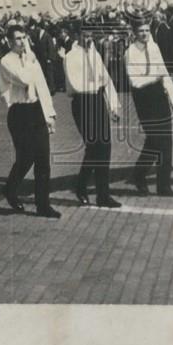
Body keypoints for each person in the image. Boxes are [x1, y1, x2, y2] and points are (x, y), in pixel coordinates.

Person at [0, 26, 60, 218]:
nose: (22, 42)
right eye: (17, 39)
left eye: (24, 37)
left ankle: (43, 205)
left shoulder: (31, 59)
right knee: (25, 158)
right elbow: (24, 79)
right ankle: (10, 189)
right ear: (9, 42)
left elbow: (41, 85)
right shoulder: (6, 61)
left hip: (36, 110)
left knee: (43, 159)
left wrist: (49, 114)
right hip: (19, 112)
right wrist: (30, 60)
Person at [63, 24, 122, 208]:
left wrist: (113, 106)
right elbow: (78, 84)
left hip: (97, 101)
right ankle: (81, 186)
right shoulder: (71, 56)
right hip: (82, 102)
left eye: (91, 35)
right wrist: (98, 81)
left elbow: (106, 80)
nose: (89, 39)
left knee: (104, 147)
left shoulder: (94, 54)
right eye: (85, 35)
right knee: (94, 146)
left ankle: (103, 195)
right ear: (77, 34)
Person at [125, 20, 173, 196]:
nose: (145, 34)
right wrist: (155, 76)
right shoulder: (130, 53)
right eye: (141, 31)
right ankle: (139, 175)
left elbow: (164, 73)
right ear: (134, 33)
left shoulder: (154, 47)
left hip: (158, 95)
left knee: (166, 140)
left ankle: (164, 185)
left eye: (147, 30)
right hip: (143, 98)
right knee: (155, 139)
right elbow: (135, 81)